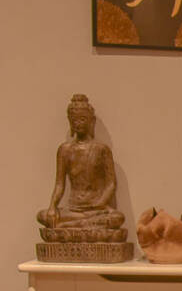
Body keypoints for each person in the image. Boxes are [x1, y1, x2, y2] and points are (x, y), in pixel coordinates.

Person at [36, 93, 125, 232]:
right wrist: (52, 207)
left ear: (91, 121)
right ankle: (81, 225)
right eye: (74, 120)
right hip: (73, 210)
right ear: (70, 122)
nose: (78, 123)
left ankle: (67, 226)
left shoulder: (102, 149)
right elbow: (59, 184)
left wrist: (99, 204)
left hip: (96, 209)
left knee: (117, 218)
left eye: (83, 119)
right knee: (42, 216)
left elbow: (111, 184)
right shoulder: (64, 150)